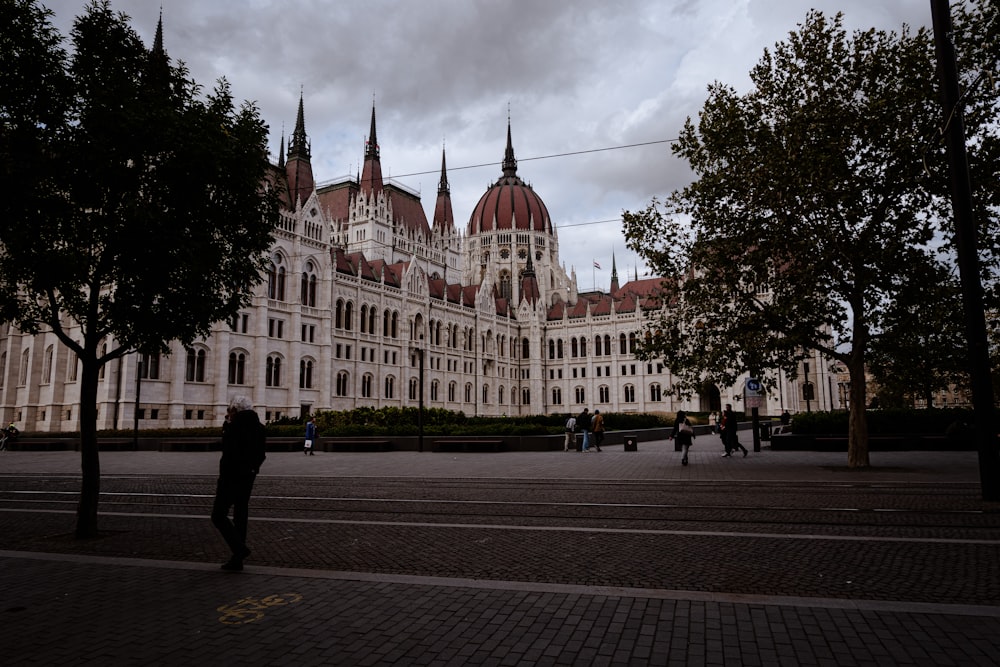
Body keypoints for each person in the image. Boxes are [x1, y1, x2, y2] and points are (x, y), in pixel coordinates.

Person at [212, 395, 266, 572]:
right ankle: (237, 560)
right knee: (240, 516)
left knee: (218, 515)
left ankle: (240, 549)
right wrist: (253, 469)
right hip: (248, 478)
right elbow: (261, 455)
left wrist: (226, 426)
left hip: (230, 478)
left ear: (234, 410)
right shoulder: (259, 427)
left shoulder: (234, 427)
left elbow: (228, 452)